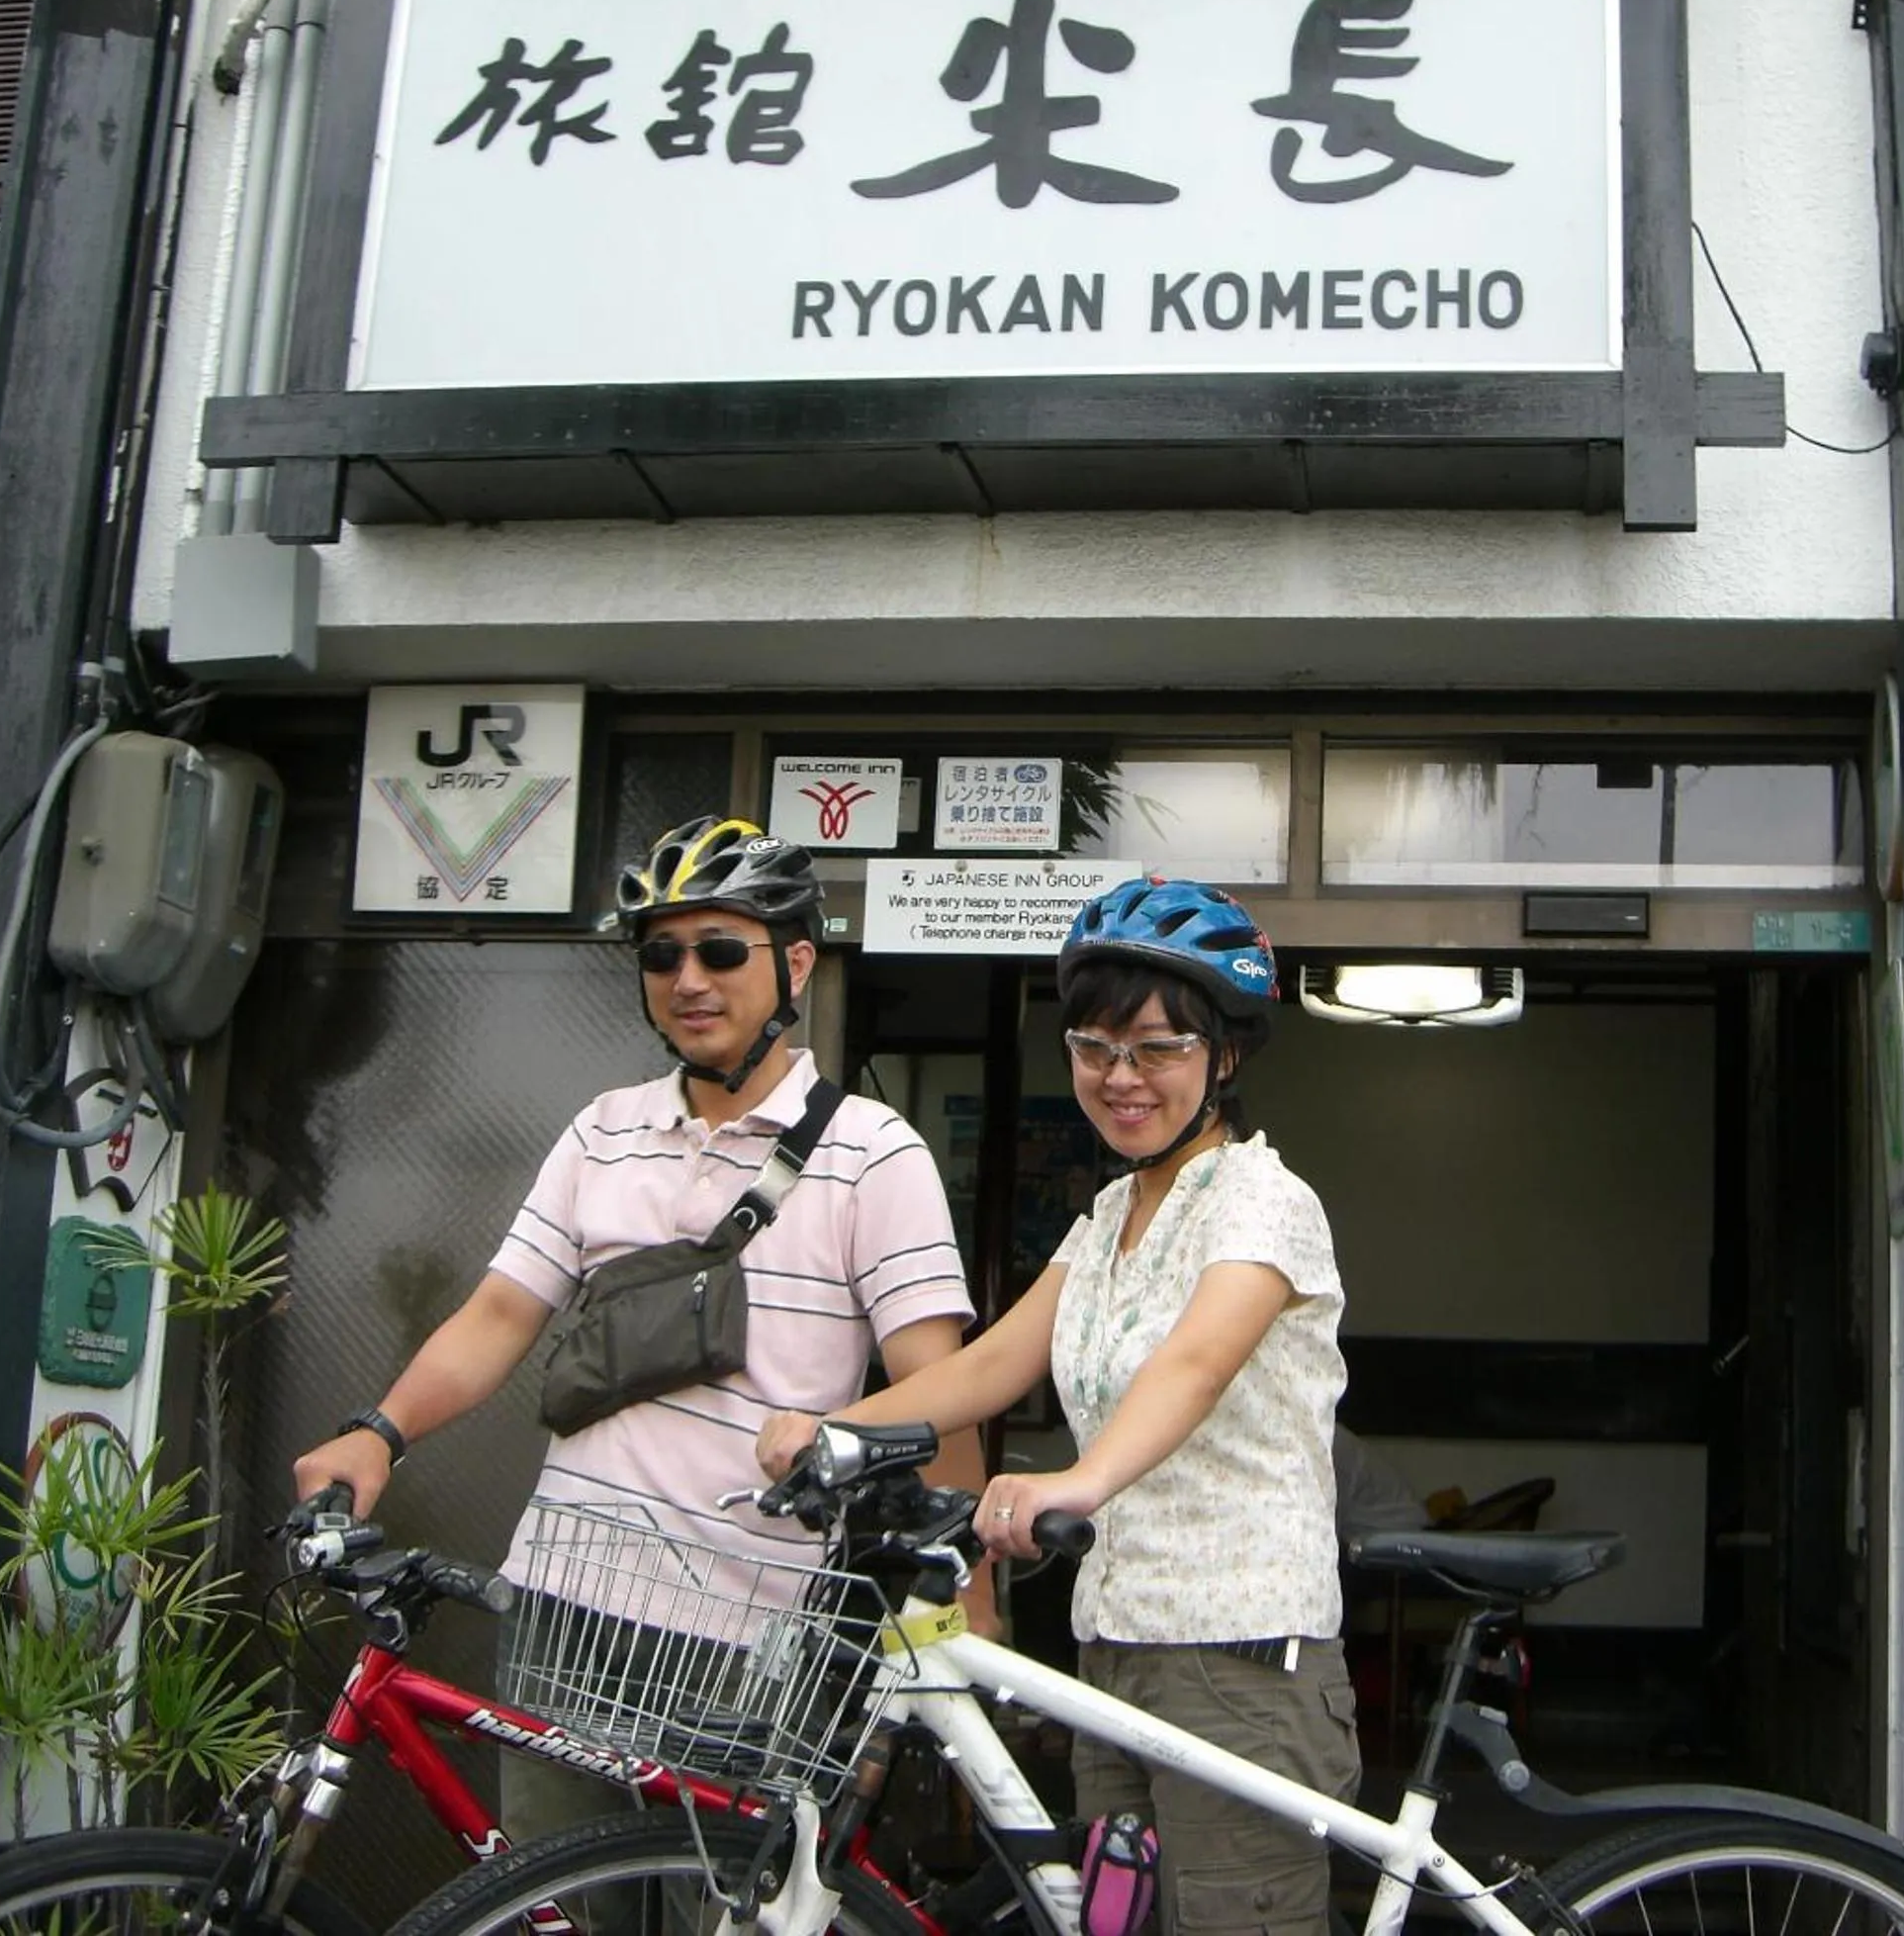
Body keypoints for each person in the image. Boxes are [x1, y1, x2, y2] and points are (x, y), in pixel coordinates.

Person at [293, 814, 984, 1842]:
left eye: (719, 949)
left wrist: (963, 1595)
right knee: (549, 1897)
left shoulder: (872, 1152)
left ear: (794, 963)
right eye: (661, 953)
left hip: (752, 1626)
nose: (687, 978)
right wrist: (378, 1431)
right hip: (567, 1603)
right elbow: (497, 1316)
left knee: (730, 1910)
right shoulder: (603, 1129)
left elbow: (940, 1387)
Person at [760, 875, 1356, 1936]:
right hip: (1114, 1641)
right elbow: (991, 1364)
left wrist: (1074, 1481)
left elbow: (1195, 1365)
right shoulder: (1111, 1212)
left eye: (1158, 1048)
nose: (1121, 1078)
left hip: (1241, 1654)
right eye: (1094, 1047)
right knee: (1111, 1923)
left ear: (1221, 1056)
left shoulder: (1267, 1201)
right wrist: (841, 1428)